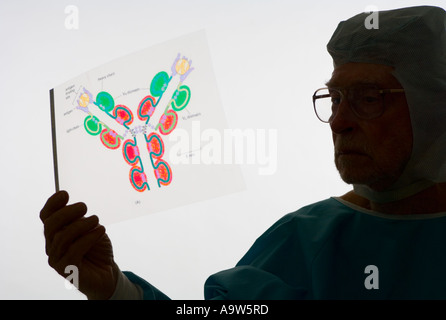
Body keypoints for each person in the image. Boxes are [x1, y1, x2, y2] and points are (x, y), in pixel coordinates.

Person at [40, 5, 446, 299]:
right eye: (335, 98)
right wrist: (115, 289)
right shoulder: (303, 241)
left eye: (368, 98)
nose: (339, 121)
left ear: (435, 106)